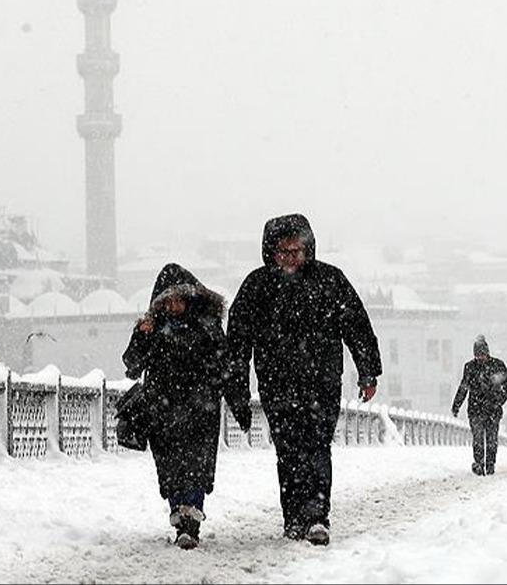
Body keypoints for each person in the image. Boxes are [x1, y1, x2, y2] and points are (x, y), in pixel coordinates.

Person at [225, 214, 381, 546]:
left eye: (297, 250)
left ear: (308, 249)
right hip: (276, 384)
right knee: (288, 450)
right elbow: (237, 341)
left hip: (321, 383)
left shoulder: (330, 280)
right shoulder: (257, 287)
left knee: (317, 447)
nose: (292, 258)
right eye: (284, 251)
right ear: (272, 252)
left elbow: (356, 326)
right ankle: (293, 517)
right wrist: (236, 387)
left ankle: (316, 516)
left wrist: (368, 371)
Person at [122, 263, 251, 550]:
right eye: (169, 300)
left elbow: (226, 368)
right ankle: (179, 516)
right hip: (163, 412)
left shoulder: (207, 328)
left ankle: (190, 521)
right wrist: (141, 335)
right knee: (170, 469)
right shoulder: (152, 329)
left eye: (180, 299)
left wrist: (238, 403)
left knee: (196, 466)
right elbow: (132, 366)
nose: (175, 306)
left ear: (192, 298)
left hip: (200, 411)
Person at [451, 335, 507, 476]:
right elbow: (464, 387)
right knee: (478, 438)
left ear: (487, 353)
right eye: (477, 355)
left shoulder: (498, 365)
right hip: (475, 410)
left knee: (491, 439)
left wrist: (499, 401)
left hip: (492, 409)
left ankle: (490, 464)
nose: (480, 358)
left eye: (482, 355)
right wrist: (456, 405)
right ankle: (479, 463)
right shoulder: (470, 367)